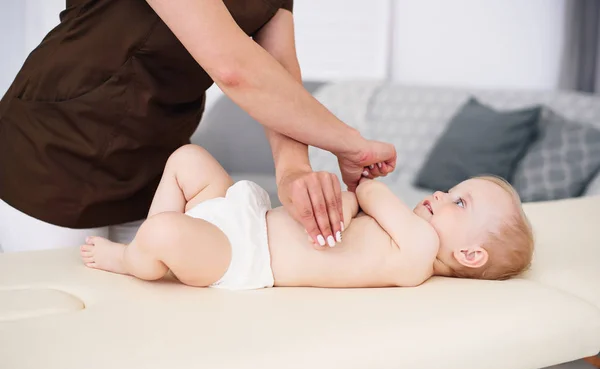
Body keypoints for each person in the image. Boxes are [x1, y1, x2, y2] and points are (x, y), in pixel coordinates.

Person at [0, 0, 396, 253]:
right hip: (53, 151)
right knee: (67, 340)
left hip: (156, 164)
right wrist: (350, 144)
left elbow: (278, 72)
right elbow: (233, 66)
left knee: (153, 330)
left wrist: (293, 169)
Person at [80, 144, 535, 289]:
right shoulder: (404, 235)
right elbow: (355, 202)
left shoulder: (419, 251)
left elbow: (369, 191)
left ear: (470, 254)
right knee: (187, 157)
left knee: (164, 231)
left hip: (239, 256)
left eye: (459, 203)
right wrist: (350, 201)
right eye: (453, 191)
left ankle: (134, 259)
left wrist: (358, 191)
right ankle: (155, 249)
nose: (441, 193)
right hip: (248, 216)